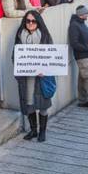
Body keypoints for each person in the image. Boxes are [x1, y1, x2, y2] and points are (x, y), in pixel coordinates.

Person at [14, 10, 54, 142]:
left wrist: (45, 70)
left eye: (33, 21)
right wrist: (20, 67)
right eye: (27, 21)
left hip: (41, 78)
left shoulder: (45, 37)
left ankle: (42, 132)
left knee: (43, 106)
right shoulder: (20, 36)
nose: (30, 23)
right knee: (29, 104)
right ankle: (33, 130)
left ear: (38, 22)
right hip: (26, 78)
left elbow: (51, 56)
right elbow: (15, 56)